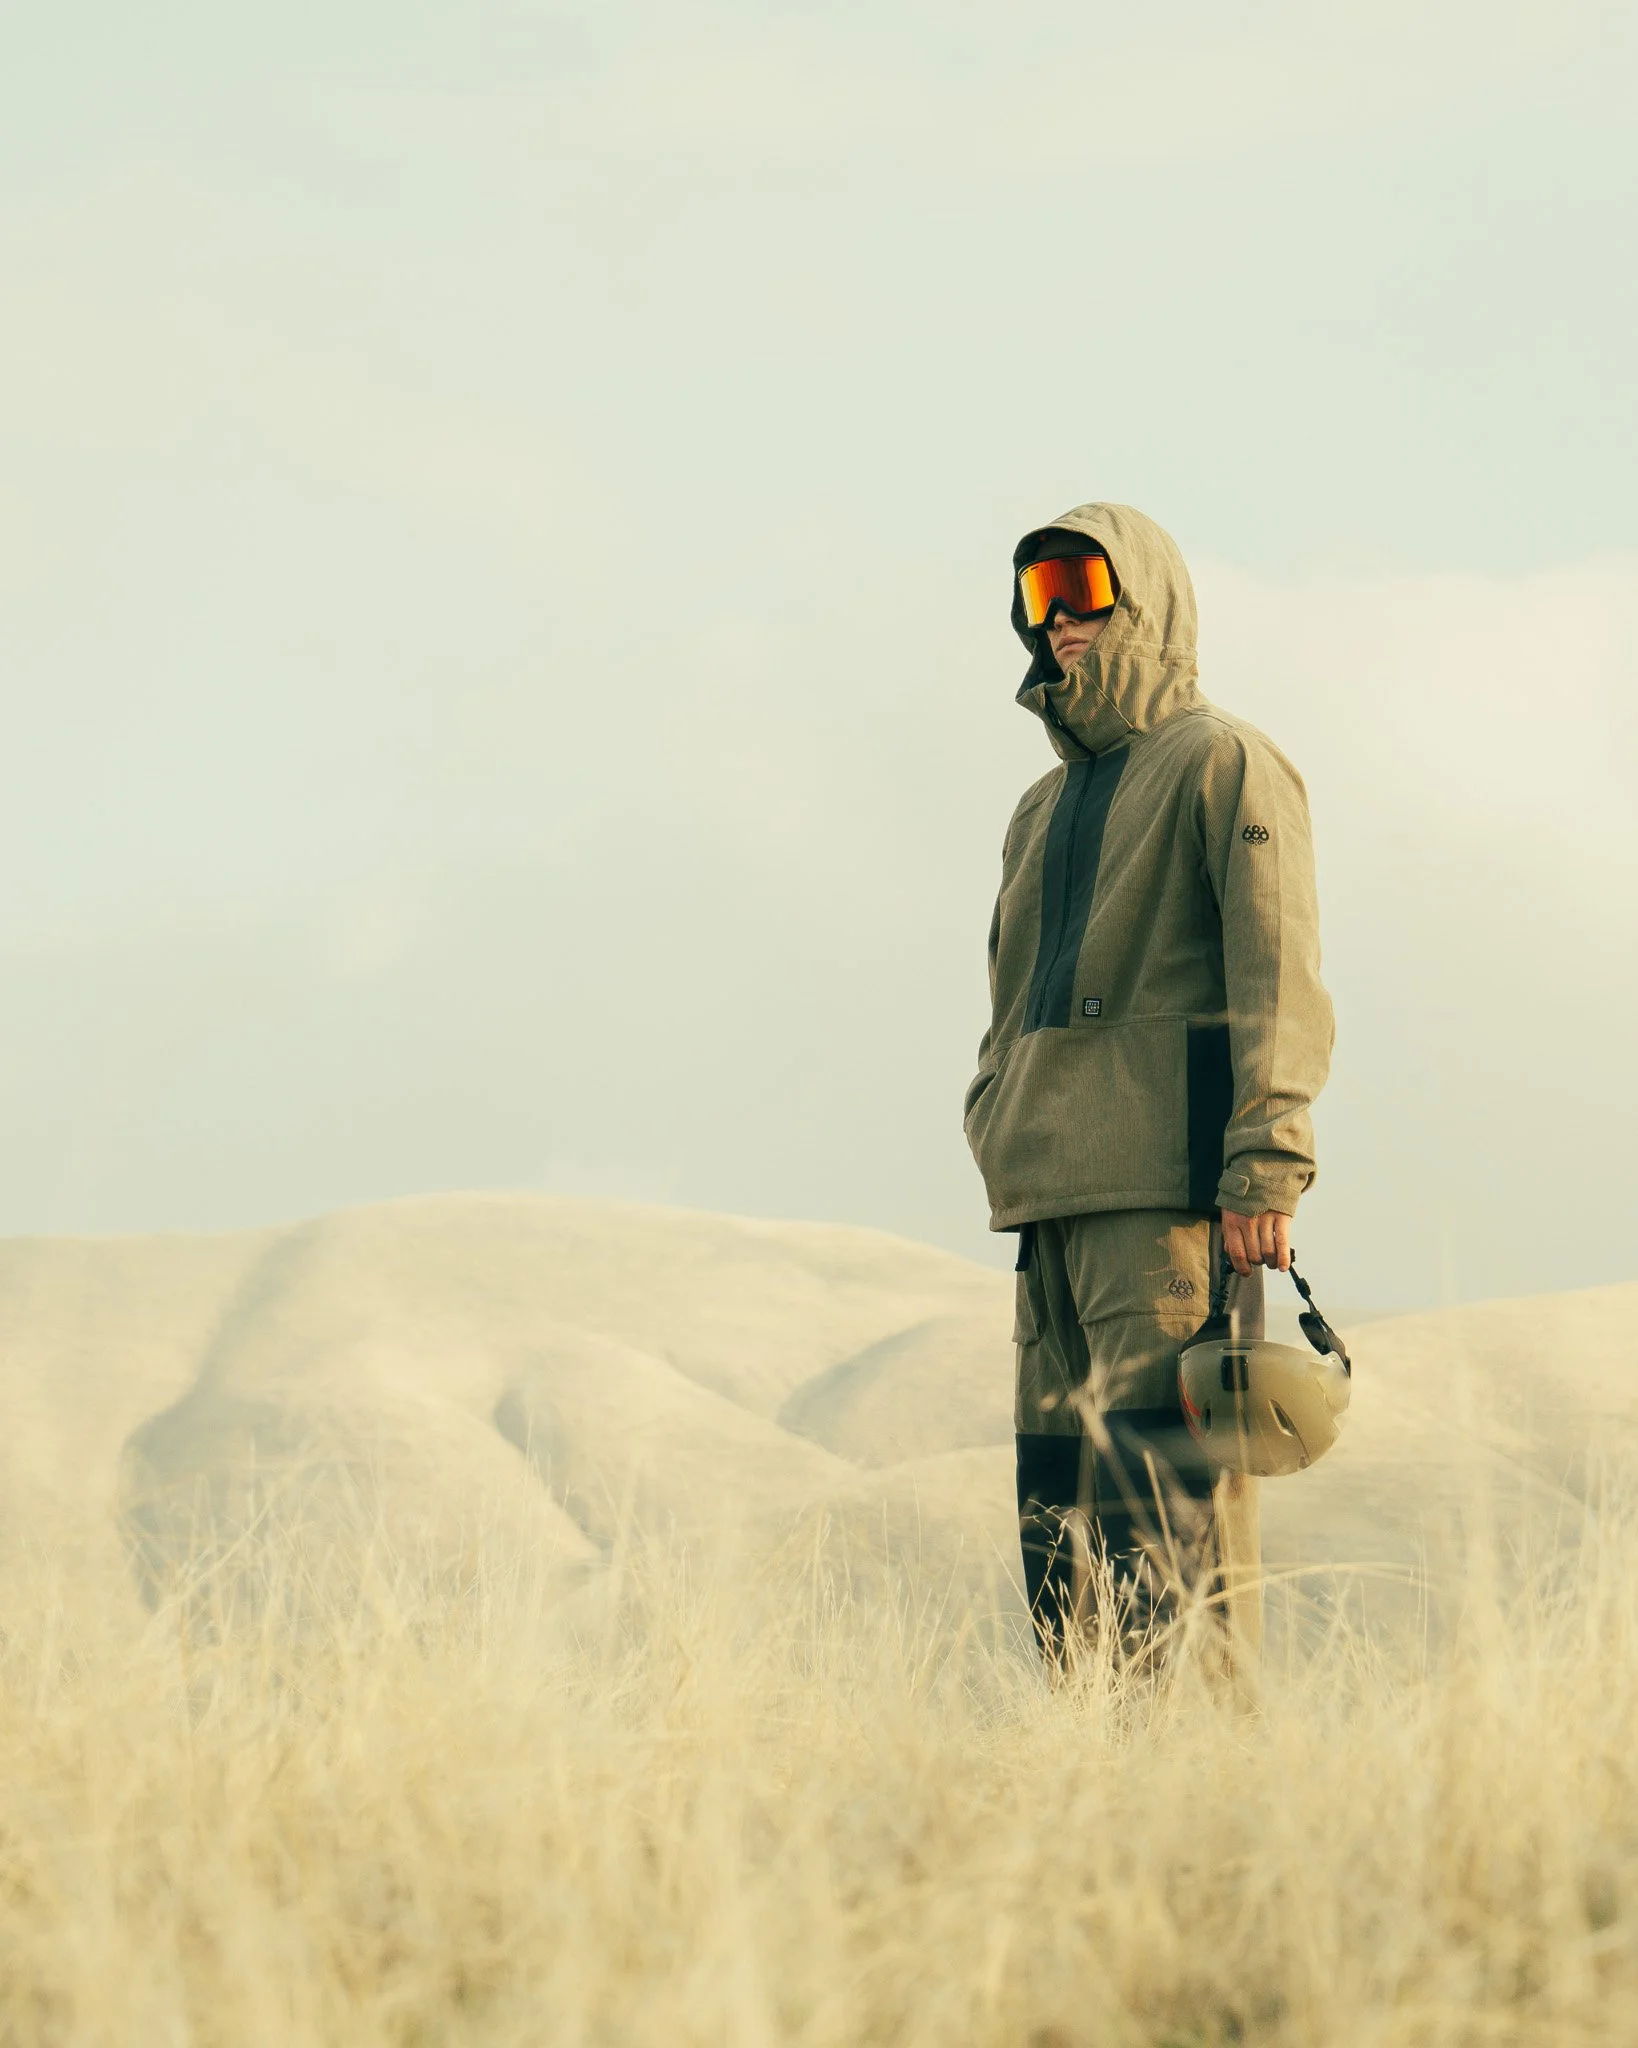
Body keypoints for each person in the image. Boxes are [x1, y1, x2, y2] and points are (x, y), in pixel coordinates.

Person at [962, 503, 1333, 1677]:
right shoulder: (1038, 807)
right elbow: (1007, 992)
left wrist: (1265, 1161)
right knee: (1057, 1521)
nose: (1059, 619)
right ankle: (1086, 1764)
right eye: (1039, 596)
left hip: (1165, 1201)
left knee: (1167, 1516)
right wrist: (995, 1110)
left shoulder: (1223, 759)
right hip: (1048, 1199)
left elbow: (1278, 966)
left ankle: (1204, 1770)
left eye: (1084, 587)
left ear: (1146, 601)